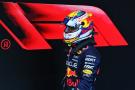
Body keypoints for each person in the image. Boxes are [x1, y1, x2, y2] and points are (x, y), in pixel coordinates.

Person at [62, 10, 101, 90]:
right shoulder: (74, 49)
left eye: (71, 28)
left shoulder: (90, 53)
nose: (67, 31)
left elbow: (86, 83)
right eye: (67, 28)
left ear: (84, 28)